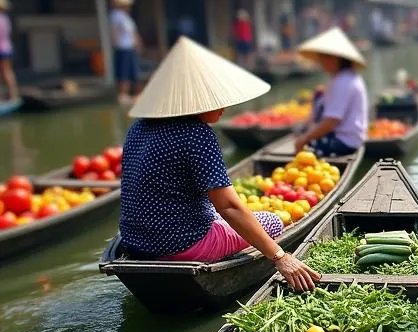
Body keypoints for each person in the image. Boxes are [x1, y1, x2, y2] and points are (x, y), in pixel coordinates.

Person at [118, 37, 319, 289]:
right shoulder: (196, 134)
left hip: (135, 240)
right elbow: (230, 207)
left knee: (214, 213)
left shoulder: (138, 127)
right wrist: (280, 256)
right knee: (272, 220)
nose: (224, 107)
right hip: (181, 244)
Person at [293, 27, 368, 157]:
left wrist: (304, 139)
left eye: (324, 58)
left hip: (345, 142)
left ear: (336, 58)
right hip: (349, 138)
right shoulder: (347, 77)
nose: (322, 63)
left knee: (304, 150)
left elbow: (331, 121)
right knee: (303, 135)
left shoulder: (343, 81)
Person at [110, 0, 141, 103]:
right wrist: (115, 44)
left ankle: (133, 93)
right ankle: (123, 94)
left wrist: (137, 43)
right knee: (124, 71)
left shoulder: (126, 17)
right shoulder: (116, 15)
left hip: (130, 47)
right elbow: (115, 32)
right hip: (123, 47)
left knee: (133, 71)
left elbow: (133, 32)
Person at [0, 0, 18, 103]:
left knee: (5, 72)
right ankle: (12, 94)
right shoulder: (5, 18)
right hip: (7, 48)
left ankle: (11, 95)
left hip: (2, 48)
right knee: (6, 72)